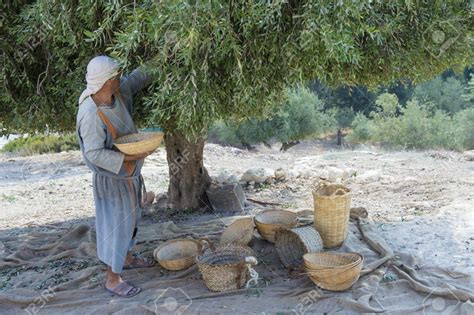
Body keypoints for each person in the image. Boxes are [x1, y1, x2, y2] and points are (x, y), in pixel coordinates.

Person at [76, 55, 155, 298]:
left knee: (130, 223)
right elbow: (95, 154)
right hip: (111, 180)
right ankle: (113, 279)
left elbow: (138, 78)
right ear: (107, 81)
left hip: (129, 175)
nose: (120, 78)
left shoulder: (116, 92)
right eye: (116, 75)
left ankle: (128, 257)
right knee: (116, 228)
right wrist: (129, 158)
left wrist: (163, 60)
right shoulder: (91, 113)